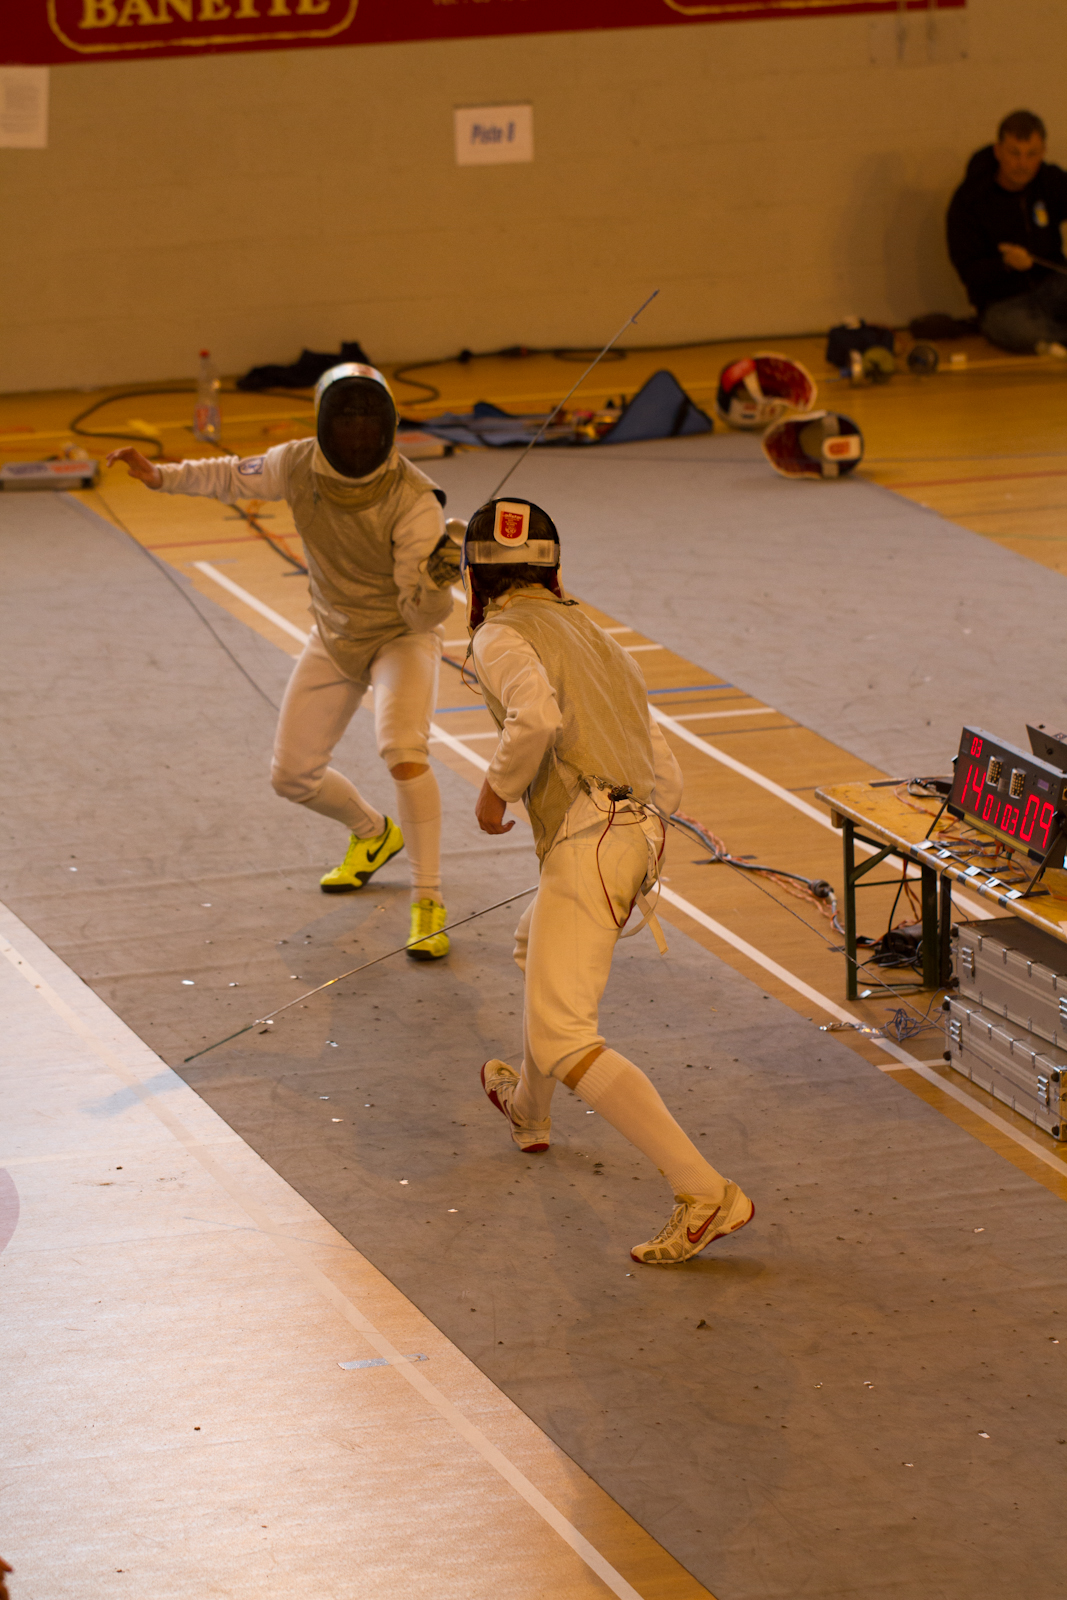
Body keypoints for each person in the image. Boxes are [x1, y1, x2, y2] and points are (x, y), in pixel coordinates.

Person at [465, 495, 754, 1264]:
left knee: (564, 1034)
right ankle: (528, 1110)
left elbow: (534, 719)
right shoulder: (597, 635)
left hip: (591, 843)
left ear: (476, 577)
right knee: (533, 950)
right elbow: (662, 765)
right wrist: (628, 847)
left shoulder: (498, 634)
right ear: (551, 569)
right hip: (631, 836)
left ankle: (705, 1193)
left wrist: (494, 792)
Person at [107, 363, 459, 959]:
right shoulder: (297, 463)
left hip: (399, 638)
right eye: (344, 419)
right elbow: (230, 474)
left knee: (403, 749)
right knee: (292, 776)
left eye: (366, 420)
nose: (355, 432)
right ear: (322, 422)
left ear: (388, 426)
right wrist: (161, 476)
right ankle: (374, 835)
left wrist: (434, 587)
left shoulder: (414, 502)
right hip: (335, 633)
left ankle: (428, 900)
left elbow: (422, 617)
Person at [947, 110, 1067, 354]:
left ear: (1043, 152)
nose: (1023, 164)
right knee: (1019, 331)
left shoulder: (1050, 181)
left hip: (1053, 285)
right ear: (998, 151)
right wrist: (1005, 264)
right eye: (1014, 153)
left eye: (1031, 154)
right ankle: (1055, 340)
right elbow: (968, 270)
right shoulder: (970, 199)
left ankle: (1056, 343)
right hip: (1001, 303)